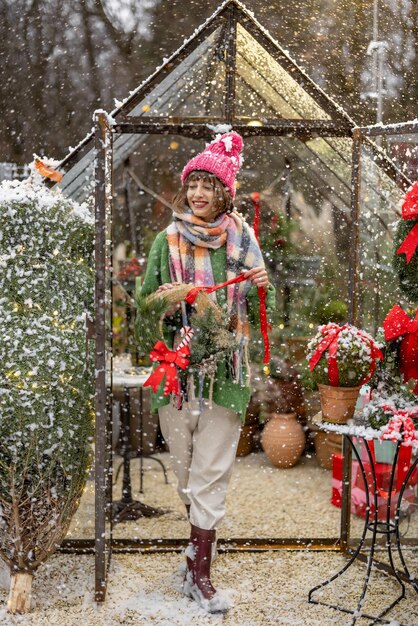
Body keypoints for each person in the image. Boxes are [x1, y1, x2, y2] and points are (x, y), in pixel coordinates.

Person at [138, 131, 275, 612]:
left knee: (211, 474)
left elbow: (265, 312)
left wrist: (262, 285)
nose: (198, 194)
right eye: (192, 184)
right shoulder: (166, 240)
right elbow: (144, 304)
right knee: (185, 476)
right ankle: (195, 548)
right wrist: (175, 302)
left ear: (224, 193)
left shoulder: (244, 238)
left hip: (226, 373)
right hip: (176, 372)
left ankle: (201, 575)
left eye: (207, 186)